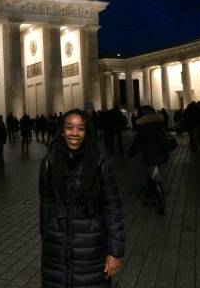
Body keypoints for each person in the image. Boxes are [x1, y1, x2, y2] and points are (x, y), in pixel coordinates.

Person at [39, 109, 125, 286]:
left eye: (81, 128)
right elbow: (46, 202)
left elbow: (112, 206)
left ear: (87, 132)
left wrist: (114, 252)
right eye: (69, 127)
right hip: (57, 252)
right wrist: (48, 234)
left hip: (91, 250)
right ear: (62, 131)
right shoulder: (49, 162)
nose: (74, 133)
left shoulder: (99, 162)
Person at [128, 106, 168, 215]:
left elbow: (137, 142)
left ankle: (161, 204)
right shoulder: (158, 125)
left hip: (151, 156)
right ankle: (149, 198)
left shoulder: (144, 127)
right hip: (159, 155)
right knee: (151, 177)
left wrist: (131, 153)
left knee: (155, 179)